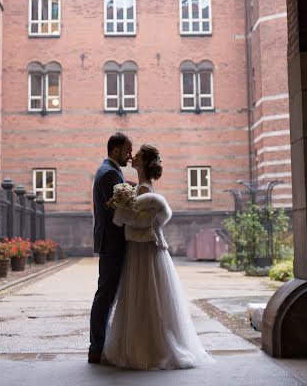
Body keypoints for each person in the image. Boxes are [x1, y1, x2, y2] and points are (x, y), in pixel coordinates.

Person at [102, 144, 215, 370]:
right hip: (143, 246)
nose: (133, 157)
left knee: (145, 294)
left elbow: (144, 221)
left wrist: (122, 213)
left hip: (145, 248)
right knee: (146, 295)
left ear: (143, 163)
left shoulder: (144, 189)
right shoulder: (141, 187)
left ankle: (151, 348)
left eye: (139, 155)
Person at [88, 132, 133, 364]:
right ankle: (96, 348)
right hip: (111, 242)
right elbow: (119, 209)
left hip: (112, 241)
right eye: (127, 151)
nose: (130, 155)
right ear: (116, 150)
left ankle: (99, 346)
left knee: (107, 294)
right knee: (105, 295)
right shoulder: (109, 173)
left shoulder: (111, 171)